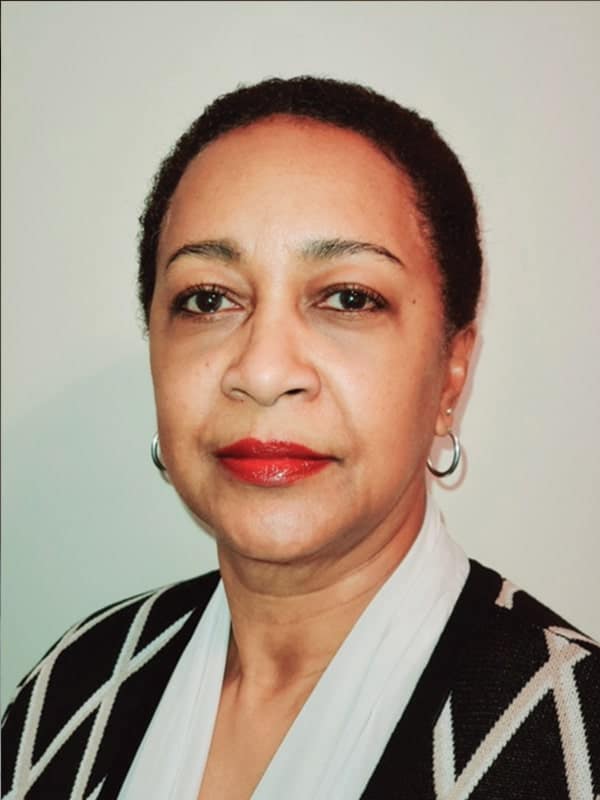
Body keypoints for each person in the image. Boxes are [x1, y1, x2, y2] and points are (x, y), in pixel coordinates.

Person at [2, 76, 598, 800]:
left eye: (348, 298)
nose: (262, 370)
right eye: (208, 299)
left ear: (450, 372)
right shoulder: (68, 693)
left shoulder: (577, 738)